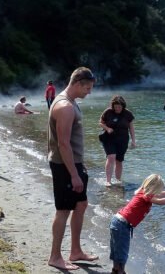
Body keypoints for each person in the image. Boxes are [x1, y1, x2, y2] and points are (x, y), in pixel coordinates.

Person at [47, 67, 99, 270]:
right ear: (78, 84)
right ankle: (55, 256)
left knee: (81, 204)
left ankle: (75, 251)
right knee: (63, 210)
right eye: (87, 88)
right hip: (64, 166)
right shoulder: (65, 107)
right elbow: (63, 144)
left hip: (73, 164)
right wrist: (74, 175)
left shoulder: (71, 103)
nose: (89, 92)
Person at [109, 174, 165, 274]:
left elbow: (158, 195)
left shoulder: (143, 192)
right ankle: (120, 271)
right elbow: (159, 201)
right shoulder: (146, 195)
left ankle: (116, 270)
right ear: (153, 188)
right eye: (159, 189)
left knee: (116, 250)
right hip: (122, 225)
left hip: (118, 222)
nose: (160, 192)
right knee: (122, 252)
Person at [99, 95, 137, 186]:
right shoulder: (108, 112)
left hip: (123, 140)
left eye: (119, 107)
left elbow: (131, 128)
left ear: (123, 106)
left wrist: (133, 141)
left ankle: (118, 180)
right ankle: (108, 181)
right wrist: (107, 128)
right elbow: (100, 122)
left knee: (119, 160)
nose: (117, 109)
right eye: (115, 107)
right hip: (108, 138)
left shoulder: (128, 114)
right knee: (111, 157)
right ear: (113, 106)